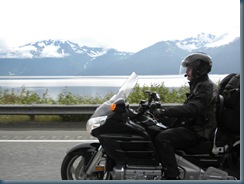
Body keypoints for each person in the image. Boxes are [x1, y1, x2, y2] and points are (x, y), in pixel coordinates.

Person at [153, 52, 218, 180]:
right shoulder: (199, 85)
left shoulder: (206, 87)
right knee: (155, 129)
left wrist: (166, 112)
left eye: (189, 69)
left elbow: (193, 109)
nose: (187, 72)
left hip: (200, 130)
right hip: (194, 126)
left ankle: (172, 176)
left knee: (163, 138)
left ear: (199, 69)